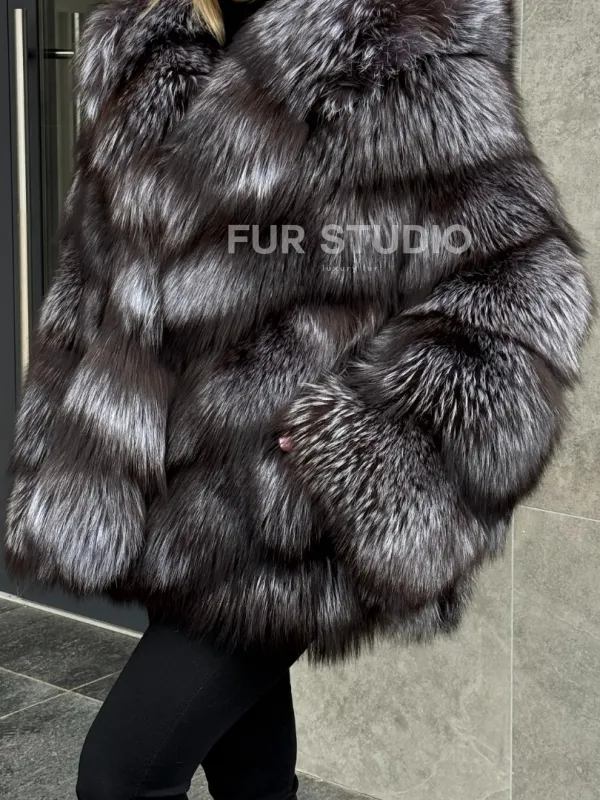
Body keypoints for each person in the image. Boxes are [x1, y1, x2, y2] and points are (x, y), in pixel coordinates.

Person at [4, 0, 592, 798]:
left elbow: (524, 285)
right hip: (167, 492)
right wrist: (83, 438)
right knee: (249, 766)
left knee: (122, 774)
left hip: (281, 512)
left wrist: (357, 440)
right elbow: (95, 275)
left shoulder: (400, 40)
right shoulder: (146, 39)